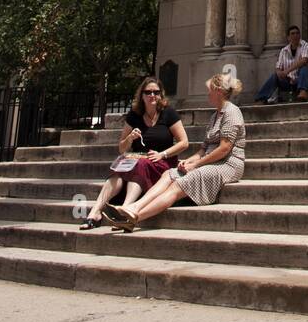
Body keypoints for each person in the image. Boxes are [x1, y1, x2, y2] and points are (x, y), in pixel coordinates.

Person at [102, 73, 245, 231]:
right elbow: (204, 148)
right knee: (169, 174)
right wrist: (188, 161)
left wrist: (196, 164)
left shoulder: (232, 112)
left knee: (179, 183)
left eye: (209, 90)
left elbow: (224, 149)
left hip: (227, 164)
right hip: (211, 160)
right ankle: (134, 207)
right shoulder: (214, 116)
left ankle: (134, 217)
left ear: (218, 91)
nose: (207, 94)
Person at [78, 76, 188, 231]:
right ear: (141, 95)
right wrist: (130, 138)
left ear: (161, 95)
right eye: (148, 92)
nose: (152, 96)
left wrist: (162, 154)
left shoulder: (168, 113)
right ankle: (95, 212)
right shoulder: (134, 115)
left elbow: (184, 142)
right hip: (137, 160)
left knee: (139, 164)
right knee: (120, 165)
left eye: (156, 92)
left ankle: (125, 210)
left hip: (162, 162)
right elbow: (122, 148)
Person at [255, 26, 308, 103]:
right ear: (288, 37)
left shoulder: (305, 45)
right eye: (292, 34)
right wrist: (280, 74)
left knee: (304, 68)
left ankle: (303, 92)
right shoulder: (283, 51)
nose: (295, 35)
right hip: (290, 82)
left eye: (297, 33)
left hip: (307, 80)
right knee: (275, 76)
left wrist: (286, 72)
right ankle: (261, 98)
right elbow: (278, 68)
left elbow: (304, 60)